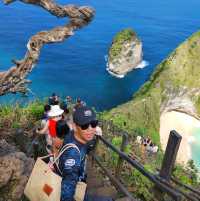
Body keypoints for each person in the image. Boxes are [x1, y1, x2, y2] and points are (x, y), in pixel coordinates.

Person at [57, 106, 110, 201]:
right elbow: (66, 192)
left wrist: (94, 132)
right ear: (74, 127)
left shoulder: (74, 134)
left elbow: (87, 145)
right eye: (84, 126)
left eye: (93, 124)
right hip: (75, 183)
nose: (90, 129)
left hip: (80, 179)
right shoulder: (72, 155)